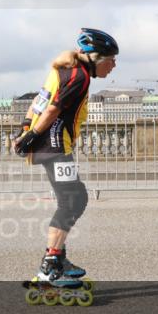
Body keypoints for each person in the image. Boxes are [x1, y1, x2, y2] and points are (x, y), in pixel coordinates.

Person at [13, 27, 119, 285]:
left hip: (51, 145)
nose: (113, 66)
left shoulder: (62, 70)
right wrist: (30, 136)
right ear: (95, 58)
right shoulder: (80, 76)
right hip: (55, 146)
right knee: (72, 200)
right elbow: (52, 108)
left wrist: (26, 129)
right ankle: (51, 264)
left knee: (73, 199)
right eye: (110, 60)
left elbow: (37, 102)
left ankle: (57, 258)